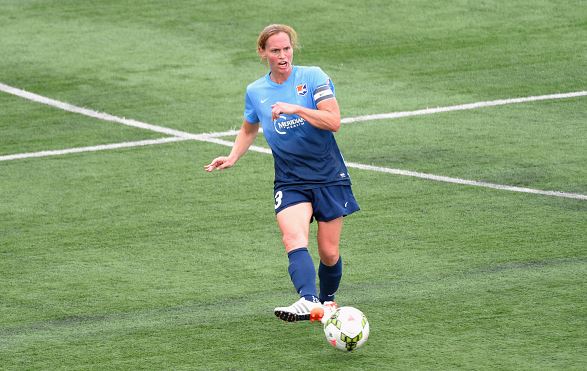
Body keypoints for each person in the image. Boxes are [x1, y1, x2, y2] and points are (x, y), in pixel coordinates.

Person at [204, 24, 359, 323]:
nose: (283, 55)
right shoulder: (256, 91)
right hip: (290, 179)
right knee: (293, 237)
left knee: (328, 252)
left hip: (328, 175)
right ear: (263, 53)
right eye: (275, 50)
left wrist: (296, 109)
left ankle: (327, 302)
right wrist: (233, 156)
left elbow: (333, 120)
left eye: (286, 48)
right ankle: (308, 299)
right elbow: (250, 127)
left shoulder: (313, 76)